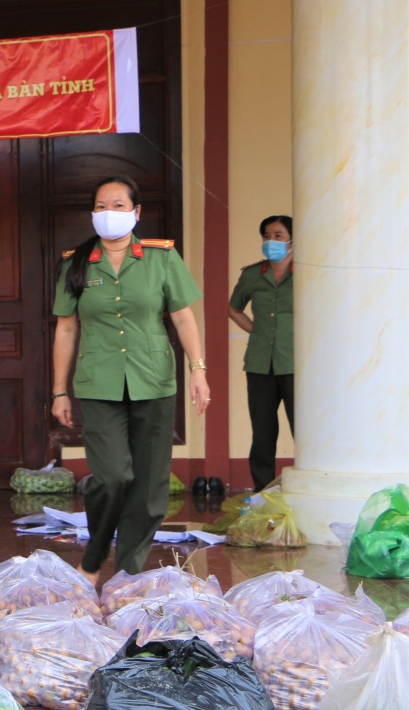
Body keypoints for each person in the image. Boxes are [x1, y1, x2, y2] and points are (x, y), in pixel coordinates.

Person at [51, 175, 210, 585]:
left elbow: (182, 316)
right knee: (111, 476)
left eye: (119, 206)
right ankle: (92, 558)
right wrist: (59, 390)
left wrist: (198, 370)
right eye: (102, 206)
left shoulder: (162, 258)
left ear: (136, 213)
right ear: (92, 214)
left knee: (151, 488)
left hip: (154, 380)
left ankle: (127, 574)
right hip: (99, 382)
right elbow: (66, 330)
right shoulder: (76, 263)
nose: (110, 213)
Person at [229, 215, 294, 492]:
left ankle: (305, 488)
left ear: (293, 239)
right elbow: (233, 308)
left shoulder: (308, 273)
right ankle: (263, 493)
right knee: (263, 433)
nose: (271, 241)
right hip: (259, 363)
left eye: (278, 235)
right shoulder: (252, 274)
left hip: (295, 362)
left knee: (303, 431)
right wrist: (256, 330)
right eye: (266, 236)